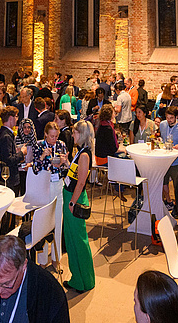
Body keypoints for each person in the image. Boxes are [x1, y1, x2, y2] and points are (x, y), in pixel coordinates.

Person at [63, 121, 95, 293]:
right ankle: (81, 278)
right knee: (74, 239)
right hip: (72, 195)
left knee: (77, 241)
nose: (72, 135)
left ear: (81, 134)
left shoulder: (84, 155)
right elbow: (76, 174)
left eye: (75, 132)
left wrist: (72, 202)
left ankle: (82, 280)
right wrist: (67, 163)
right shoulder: (81, 152)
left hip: (74, 198)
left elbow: (81, 181)